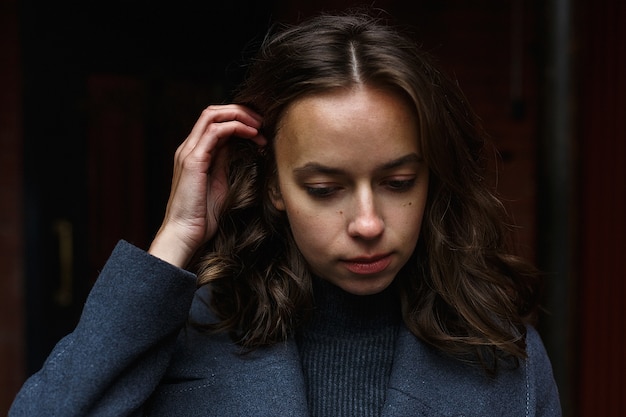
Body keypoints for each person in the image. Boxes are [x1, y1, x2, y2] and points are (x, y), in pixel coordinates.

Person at [10, 10, 562, 417]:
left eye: (398, 182)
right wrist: (175, 237)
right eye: (324, 188)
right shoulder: (187, 336)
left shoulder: (502, 356)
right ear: (273, 185)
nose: (367, 223)